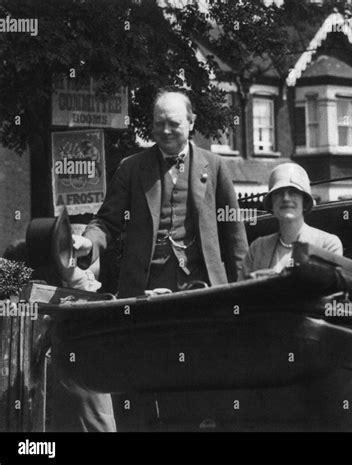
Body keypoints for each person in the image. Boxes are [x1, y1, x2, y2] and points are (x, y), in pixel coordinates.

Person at [61, 88, 248, 432]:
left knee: (199, 383)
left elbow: (234, 238)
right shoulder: (132, 168)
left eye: (173, 123)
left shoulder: (216, 166)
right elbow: (106, 221)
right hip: (145, 295)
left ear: (191, 123)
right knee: (143, 380)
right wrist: (87, 243)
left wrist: (242, 298)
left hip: (203, 295)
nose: (165, 130)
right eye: (158, 123)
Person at [239, 163, 342, 280]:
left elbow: (327, 291)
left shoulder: (327, 245)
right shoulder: (258, 248)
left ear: (305, 201)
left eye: (293, 192)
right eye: (278, 193)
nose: (286, 198)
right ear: (271, 204)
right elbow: (240, 294)